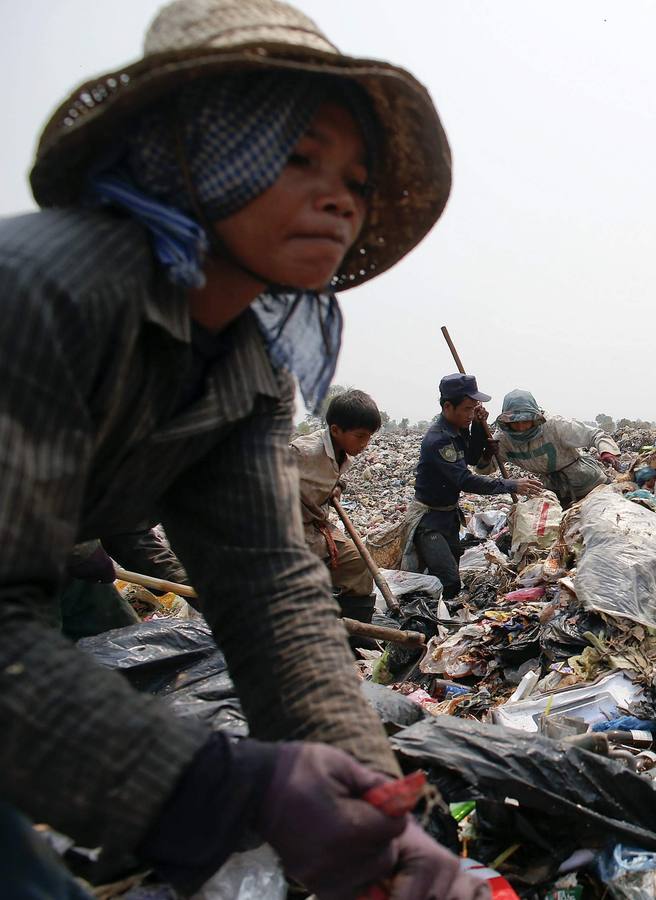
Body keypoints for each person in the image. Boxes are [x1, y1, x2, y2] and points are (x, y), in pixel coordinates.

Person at [0, 0, 475, 896]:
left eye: (357, 178)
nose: (338, 196)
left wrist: (379, 813)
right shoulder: (40, 298)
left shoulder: (244, 365)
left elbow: (266, 586)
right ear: (189, 153)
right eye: (297, 157)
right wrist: (226, 785)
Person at [414, 375, 543, 600]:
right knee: (449, 581)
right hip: (429, 522)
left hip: (449, 517)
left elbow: (472, 458)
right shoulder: (439, 440)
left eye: (474, 408)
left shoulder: (459, 428)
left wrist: (479, 430)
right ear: (447, 406)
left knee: (450, 575)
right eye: (466, 409)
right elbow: (466, 480)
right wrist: (512, 485)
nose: (471, 414)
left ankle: (441, 617)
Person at [291, 389, 381, 626]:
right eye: (360, 436)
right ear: (335, 430)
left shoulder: (344, 451)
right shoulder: (303, 452)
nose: (365, 444)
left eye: (369, 437)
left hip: (316, 530)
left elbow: (333, 475)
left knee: (359, 563)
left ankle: (357, 634)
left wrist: (338, 485)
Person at [476, 389, 620, 507]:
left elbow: (596, 434)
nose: (520, 427)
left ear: (535, 418)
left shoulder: (554, 426)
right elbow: (484, 470)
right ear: (507, 421)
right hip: (554, 491)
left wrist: (607, 451)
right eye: (515, 422)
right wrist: (487, 455)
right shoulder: (502, 440)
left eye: (525, 421)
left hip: (589, 484)